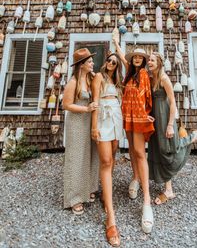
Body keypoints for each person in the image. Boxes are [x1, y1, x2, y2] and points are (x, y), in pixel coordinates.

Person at [147, 52, 197, 205]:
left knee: (169, 150)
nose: (149, 62)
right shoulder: (151, 78)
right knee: (159, 149)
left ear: (160, 63)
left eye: (152, 60)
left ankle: (192, 137)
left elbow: (173, 103)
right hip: (155, 118)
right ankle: (168, 189)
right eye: (148, 60)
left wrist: (170, 125)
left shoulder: (164, 79)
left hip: (165, 118)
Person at [114, 39, 155, 234]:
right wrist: (115, 42)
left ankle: (147, 201)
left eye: (140, 57)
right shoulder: (130, 74)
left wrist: (148, 112)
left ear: (144, 60)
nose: (137, 59)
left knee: (140, 152)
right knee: (131, 150)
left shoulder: (145, 74)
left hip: (139, 117)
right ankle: (135, 178)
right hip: (127, 115)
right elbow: (123, 59)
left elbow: (148, 95)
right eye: (135, 57)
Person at [91, 53, 123, 247]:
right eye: (110, 60)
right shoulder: (99, 77)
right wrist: (94, 126)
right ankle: (110, 216)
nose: (111, 63)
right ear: (105, 62)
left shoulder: (117, 81)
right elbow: (94, 101)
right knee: (106, 161)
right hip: (103, 116)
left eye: (115, 62)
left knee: (112, 157)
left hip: (116, 116)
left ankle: (105, 194)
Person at [63, 48, 99, 215]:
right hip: (77, 123)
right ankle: (74, 198)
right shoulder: (73, 82)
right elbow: (66, 105)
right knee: (77, 158)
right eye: (89, 61)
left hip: (89, 122)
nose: (92, 63)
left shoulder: (90, 79)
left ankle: (89, 188)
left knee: (90, 155)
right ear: (81, 65)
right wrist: (86, 109)